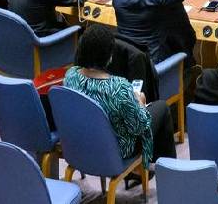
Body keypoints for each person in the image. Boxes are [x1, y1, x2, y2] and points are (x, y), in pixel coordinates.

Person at [63, 25, 176, 169]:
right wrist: (140, 103)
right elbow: (139, 127)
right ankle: (167, 171)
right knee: (162, 107)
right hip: (116, 150)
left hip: (83, 142)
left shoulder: (71, 75)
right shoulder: (119, 88)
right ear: (109, 56)